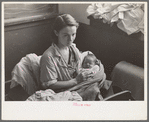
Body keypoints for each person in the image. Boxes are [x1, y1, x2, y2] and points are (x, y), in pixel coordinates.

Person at [40, 14, 92, 93]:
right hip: (62, 91)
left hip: (76, 85)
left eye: (73, 34)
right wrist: (75, 81)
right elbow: (50, 85)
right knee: (93, 90)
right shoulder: (48, 57)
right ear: (56, 33)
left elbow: (78, 67)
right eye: (65, 35)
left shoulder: (73, 48)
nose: (70, 39)